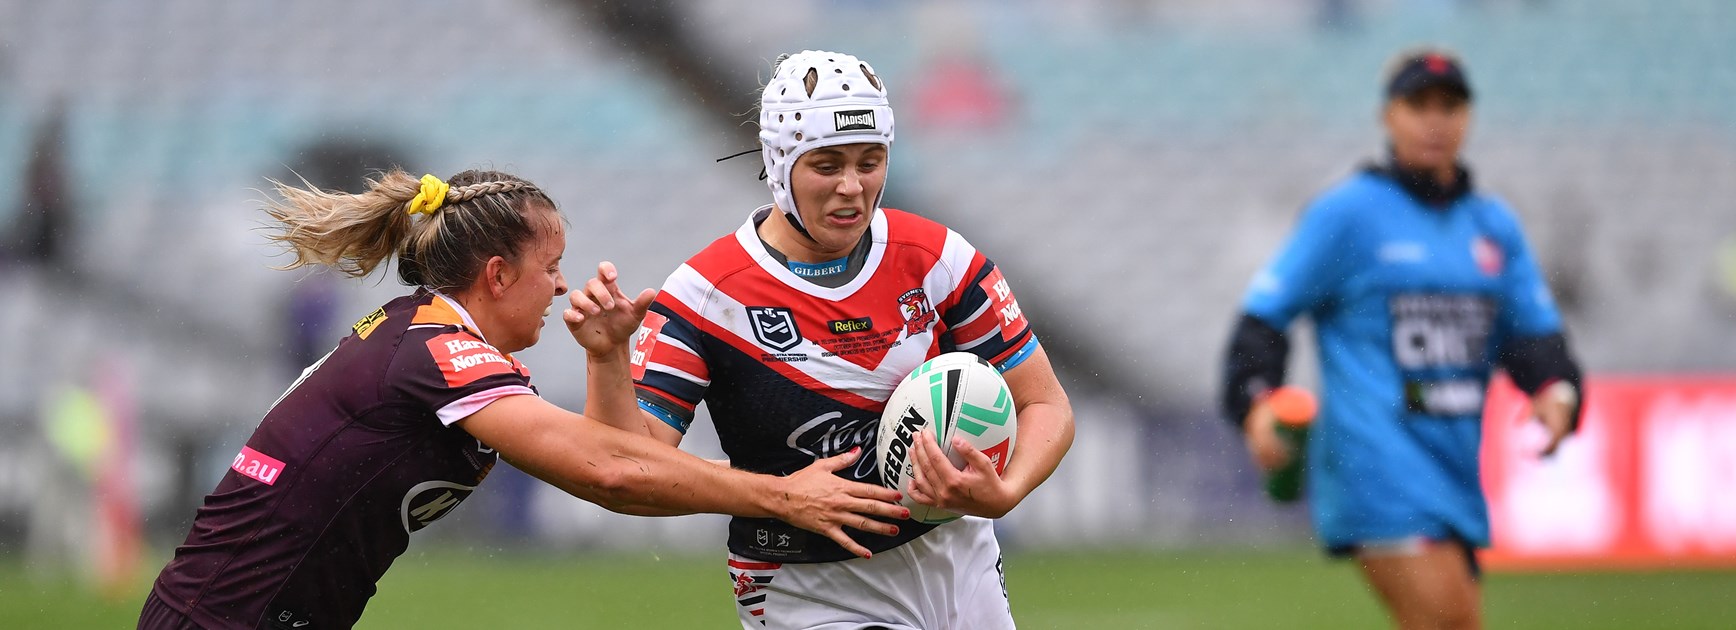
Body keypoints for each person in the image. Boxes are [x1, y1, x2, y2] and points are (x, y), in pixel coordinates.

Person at [138, 169, 907, 629]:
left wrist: (607, 356)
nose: (564, 286)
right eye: (552, 266)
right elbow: (610, 473)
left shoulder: (439, 342)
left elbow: (616, 468)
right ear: (499, 275)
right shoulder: (438, 354)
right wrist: (781, 497)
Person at [625, 50, 1074, 630]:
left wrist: (1006, 490)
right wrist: (606, 356)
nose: (852, 188)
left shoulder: (938, 259)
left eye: (870, 161)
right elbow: (634, 468)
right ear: (779, 161)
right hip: (807, 588)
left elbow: (1045, 403)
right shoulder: (706, 296)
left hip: (961, 563)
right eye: (826, 164)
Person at [1219, 48, 1586, 630]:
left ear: (1469, 117)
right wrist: (1256, 401)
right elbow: (1263, 319)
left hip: (1455, 475)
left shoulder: (1492, 226)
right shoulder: (1349, 215)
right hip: (1376, 472)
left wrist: (1557, 392)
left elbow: (1533, 336)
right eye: (1418, 105)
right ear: (1387, 116)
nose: (1435, 121)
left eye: (1451, 105)